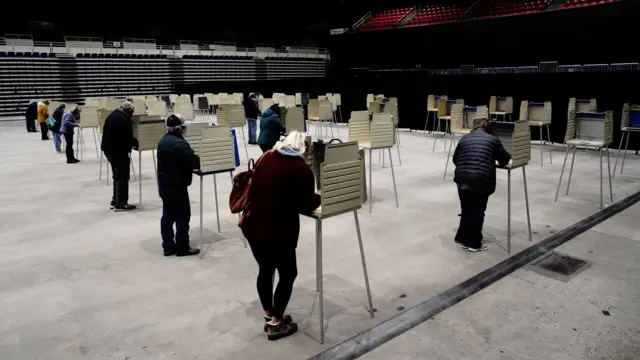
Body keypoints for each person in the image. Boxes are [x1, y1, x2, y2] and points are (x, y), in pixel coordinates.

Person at [242, 131, 320, 341]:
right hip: (278, 231)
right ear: (304, 148)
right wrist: (319, 197)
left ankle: (269, 312)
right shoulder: (301, 169)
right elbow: (306, 204)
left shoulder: (267, 156)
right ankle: (276, 324)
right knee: (288, 273)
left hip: (253, 226)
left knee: (265, 269)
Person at [452, 118, 511, 252]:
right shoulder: (493, 140)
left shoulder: (464, 138)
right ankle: (474, 243)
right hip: (481, 179)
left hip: (462, 178)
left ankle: (462, 237)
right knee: (478, 210)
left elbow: (455, 159)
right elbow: (504, 159)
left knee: (466, 209)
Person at [156, 114, 201, 257]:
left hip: (164, 184)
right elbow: (193, 162)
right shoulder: (180, 144)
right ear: (178, 129)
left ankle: (168, 246)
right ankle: (183, 247)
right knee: (182, 216)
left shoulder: (162, 141)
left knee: (167, 216)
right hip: (177, 186)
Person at [101, 101, 139, 211]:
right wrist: (135, 143)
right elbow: (126, 137)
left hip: (109, 150)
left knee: (117, 176)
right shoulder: (123, 120)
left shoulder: (113, 115)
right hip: (117, 151)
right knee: (122, 177)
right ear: (129, 111)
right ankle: (121, 203)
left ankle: (115, 200)